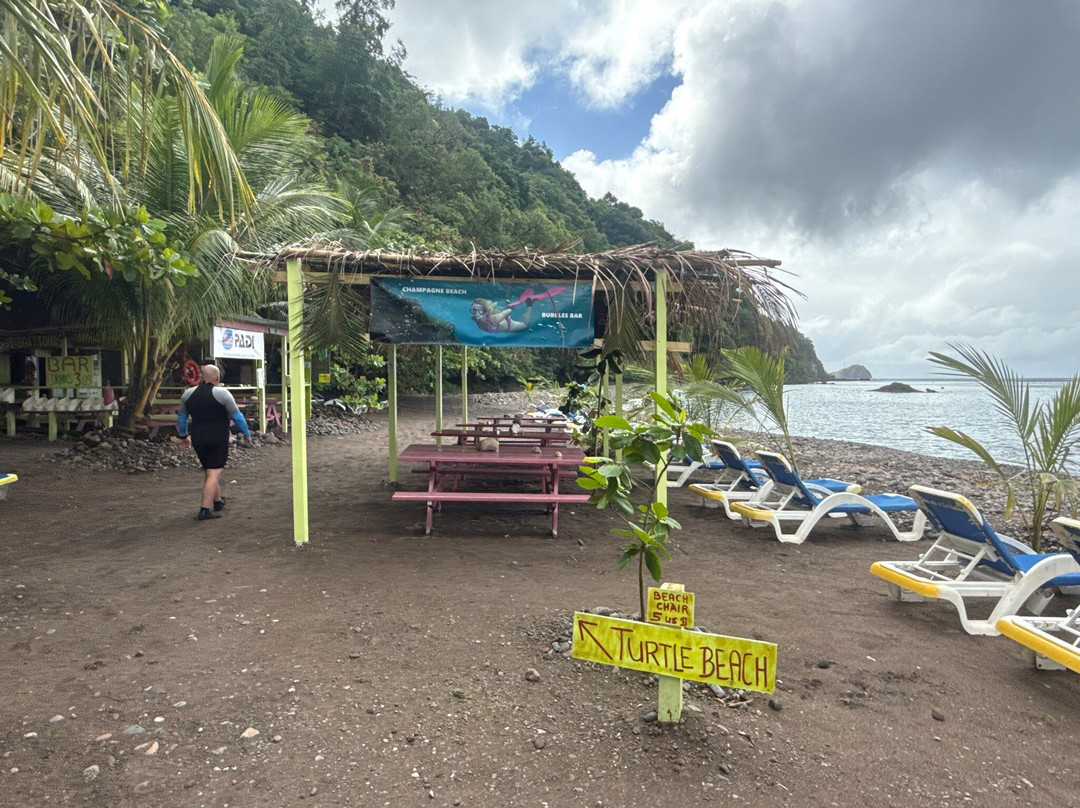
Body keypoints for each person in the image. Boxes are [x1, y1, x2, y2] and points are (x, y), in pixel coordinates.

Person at [176, 364, 251, 520]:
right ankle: (204, 509)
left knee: (210, 471)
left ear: (202, 377)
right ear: (217, 378)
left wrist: (183, 436)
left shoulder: (187, 394)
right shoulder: (223, 394)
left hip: (198, 438)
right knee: (214, 472)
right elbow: (237, 417)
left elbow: (182, 418)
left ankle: (217, 501)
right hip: (217, 438)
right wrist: (246, 433)